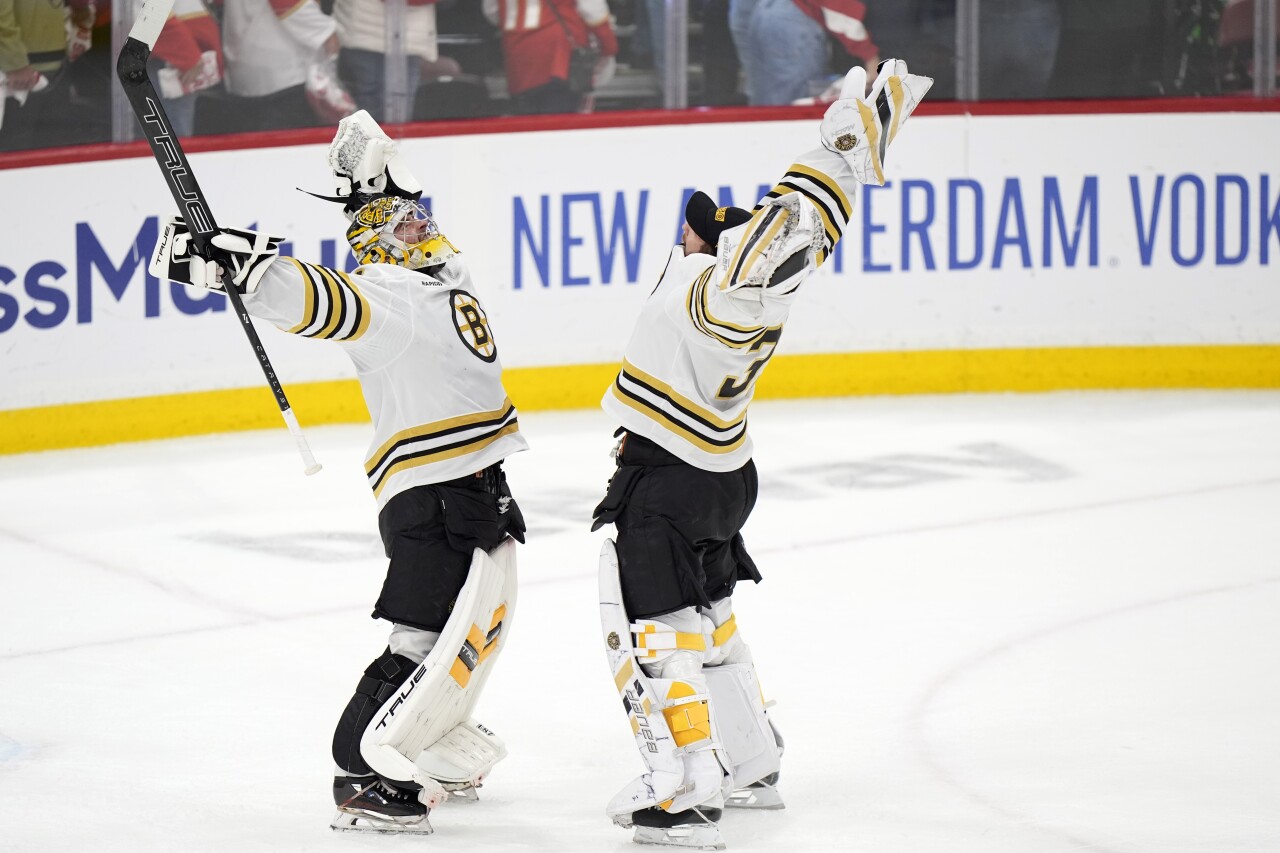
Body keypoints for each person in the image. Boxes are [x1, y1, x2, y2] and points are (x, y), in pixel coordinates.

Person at [148, 111, 528, 834]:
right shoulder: (387, 294)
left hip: (475, 483)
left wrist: (368, 187)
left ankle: (431, 734)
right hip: (432, 496)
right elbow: (321, 297)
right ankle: (359, 769)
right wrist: (248, 269)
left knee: (474, 629)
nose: (424, 228)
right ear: (379, 247)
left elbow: (395, 224)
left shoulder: (445, 275)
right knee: (421, 639)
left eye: (420, 219)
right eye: (408, 227)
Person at [590, 60, 932, 850]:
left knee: (654, 632)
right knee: (711, 625)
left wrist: (832, 157)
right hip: (721, 478)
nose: (688, 228)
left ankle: (686, 783)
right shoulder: (729, 287)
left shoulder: (714, 290)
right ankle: (751, 762)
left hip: (666, 480)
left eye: (700, 225)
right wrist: (846, 162)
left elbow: (772, 243)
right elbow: (795, 235)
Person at [730, 0, 879, 105]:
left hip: (759, 13)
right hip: (790, 21)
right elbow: (837, 7)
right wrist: (870, 56)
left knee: (765, 107)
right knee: (792, 108)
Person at [482, 0, 618, 114]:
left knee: (528, 126)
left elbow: (491, 11)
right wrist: (609, 47)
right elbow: (592, 10)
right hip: (559, 57)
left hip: (518, 57)